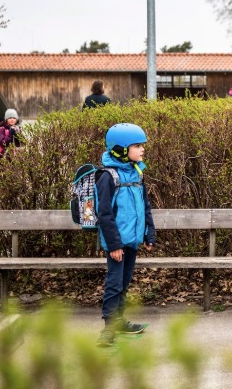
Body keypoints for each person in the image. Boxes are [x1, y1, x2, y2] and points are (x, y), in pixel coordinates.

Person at [96, 123, 156, 347]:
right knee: (114, 282)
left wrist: (149, 233)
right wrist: (114, 245)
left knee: (125, 281)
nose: (142, 150)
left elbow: (145, 206)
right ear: (121, 149)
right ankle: (108, 328)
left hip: (132, 239)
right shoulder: (108, 177)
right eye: (138, 146)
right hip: (117, 243)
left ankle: (119, 320)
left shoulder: (137, 172)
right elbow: (104, 214)